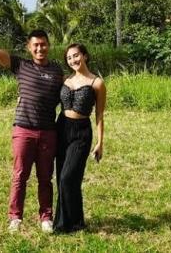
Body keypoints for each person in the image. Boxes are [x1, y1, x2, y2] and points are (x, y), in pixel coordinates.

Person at [0, 10, 63, 233]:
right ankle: (15, 217)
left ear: (48, 45)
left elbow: (71, 88)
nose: (39, 48)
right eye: (35, 45)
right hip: (23, 130)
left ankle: (46, 217)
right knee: (20, 176)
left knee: (46, 178)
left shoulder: (57, 70)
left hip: (48, 132)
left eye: (43, 44)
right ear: (29, 47)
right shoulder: (21, 65)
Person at [54, 43, 106, 233]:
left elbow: (99, 114)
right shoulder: (65, 80)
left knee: (69, 177)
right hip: (61, 128)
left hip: (81, 132)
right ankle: (63, 222)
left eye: (76, 56)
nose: (73, 60)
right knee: (60, 176)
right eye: (69, 58)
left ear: (84, 55)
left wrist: (100, 142)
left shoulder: (97, 83)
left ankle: (75, 223)